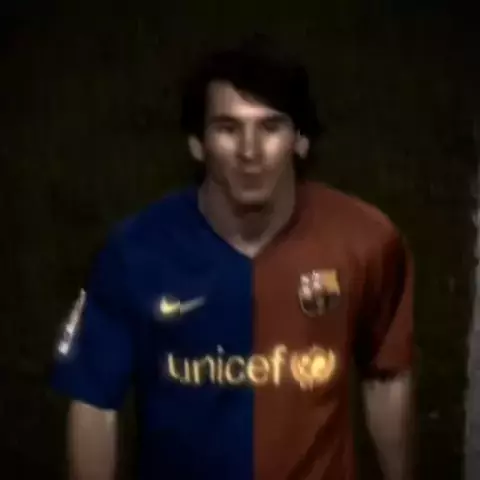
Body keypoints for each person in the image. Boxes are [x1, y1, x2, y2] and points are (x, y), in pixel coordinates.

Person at [50, 35, 414, 480]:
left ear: (300, 140)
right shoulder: (135, 252)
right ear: (197, 143)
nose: (249, 151)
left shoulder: (366, 241)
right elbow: (93, 401)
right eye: (228, 128)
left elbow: (386, 375)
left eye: (270, 127)